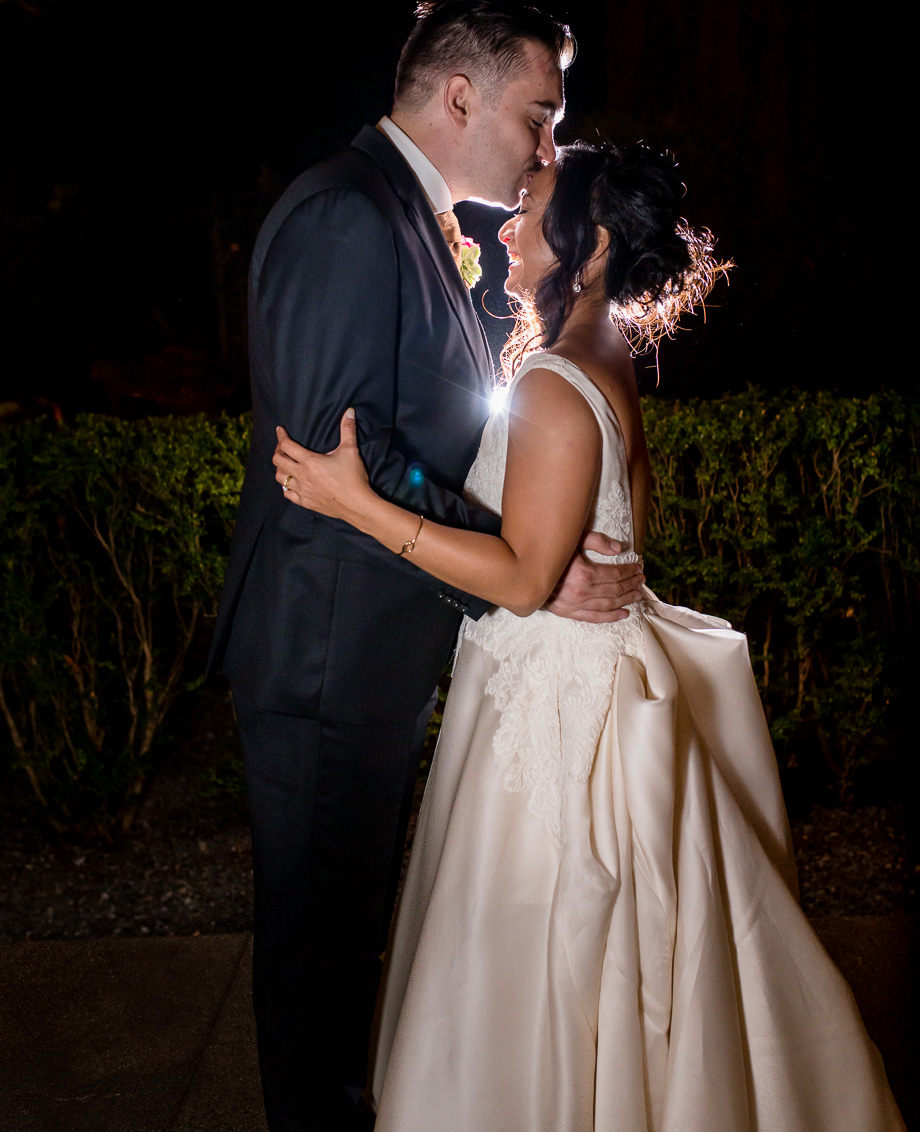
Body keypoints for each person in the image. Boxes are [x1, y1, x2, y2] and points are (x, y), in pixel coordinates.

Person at [272, 141, 905, 1131]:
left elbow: (523, 576)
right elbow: (586, 550)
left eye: (528, 205)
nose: (506, 224)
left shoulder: (552, 384)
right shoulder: (599, 361)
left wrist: (355, 504)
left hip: (552, 714)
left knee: (535, 956)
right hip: (579, 680)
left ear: (591, 240)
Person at [205, 0, 646, 1132]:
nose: (548, 148)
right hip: (323, 651)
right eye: (539, 115)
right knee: (318, 954)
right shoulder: (350, 214)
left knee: (345, 939)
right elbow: (337, 448)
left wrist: (524, 555)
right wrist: (518, 565)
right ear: (461, 95)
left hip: (368, 644)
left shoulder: (406, 210)